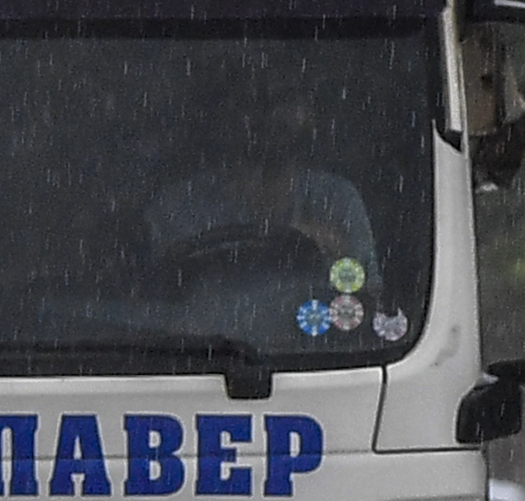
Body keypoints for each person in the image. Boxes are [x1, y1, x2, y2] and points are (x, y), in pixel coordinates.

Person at [140, 55, 379, 317]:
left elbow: (366, 304)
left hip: (316, 351)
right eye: (252, 102)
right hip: (202, 349)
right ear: (222, 116)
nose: (269, 115)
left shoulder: (337, 200)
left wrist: (336, 255)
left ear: (308, 113)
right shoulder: (177, 206)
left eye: (284, 100)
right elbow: (157, 307)